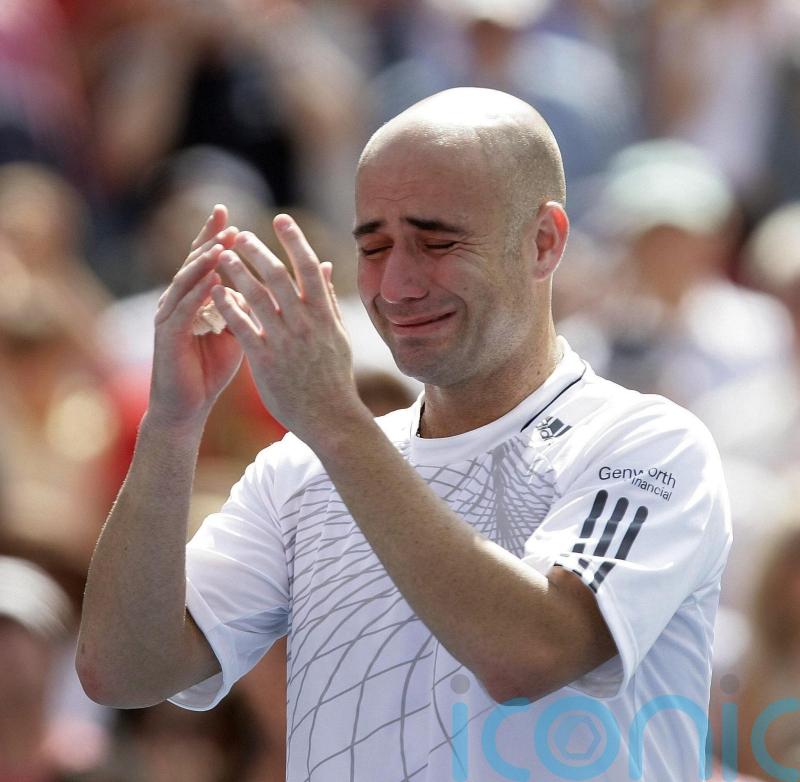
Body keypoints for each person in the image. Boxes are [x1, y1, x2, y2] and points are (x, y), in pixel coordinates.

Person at [77, 88, 731, 781]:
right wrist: (172, 423)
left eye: (438, 241)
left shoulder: (650, 444)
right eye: (375, 245)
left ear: (544, 242)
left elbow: (533, 653)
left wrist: (334, 420)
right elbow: (123, 670)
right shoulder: (303, 468)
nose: (397, 285)